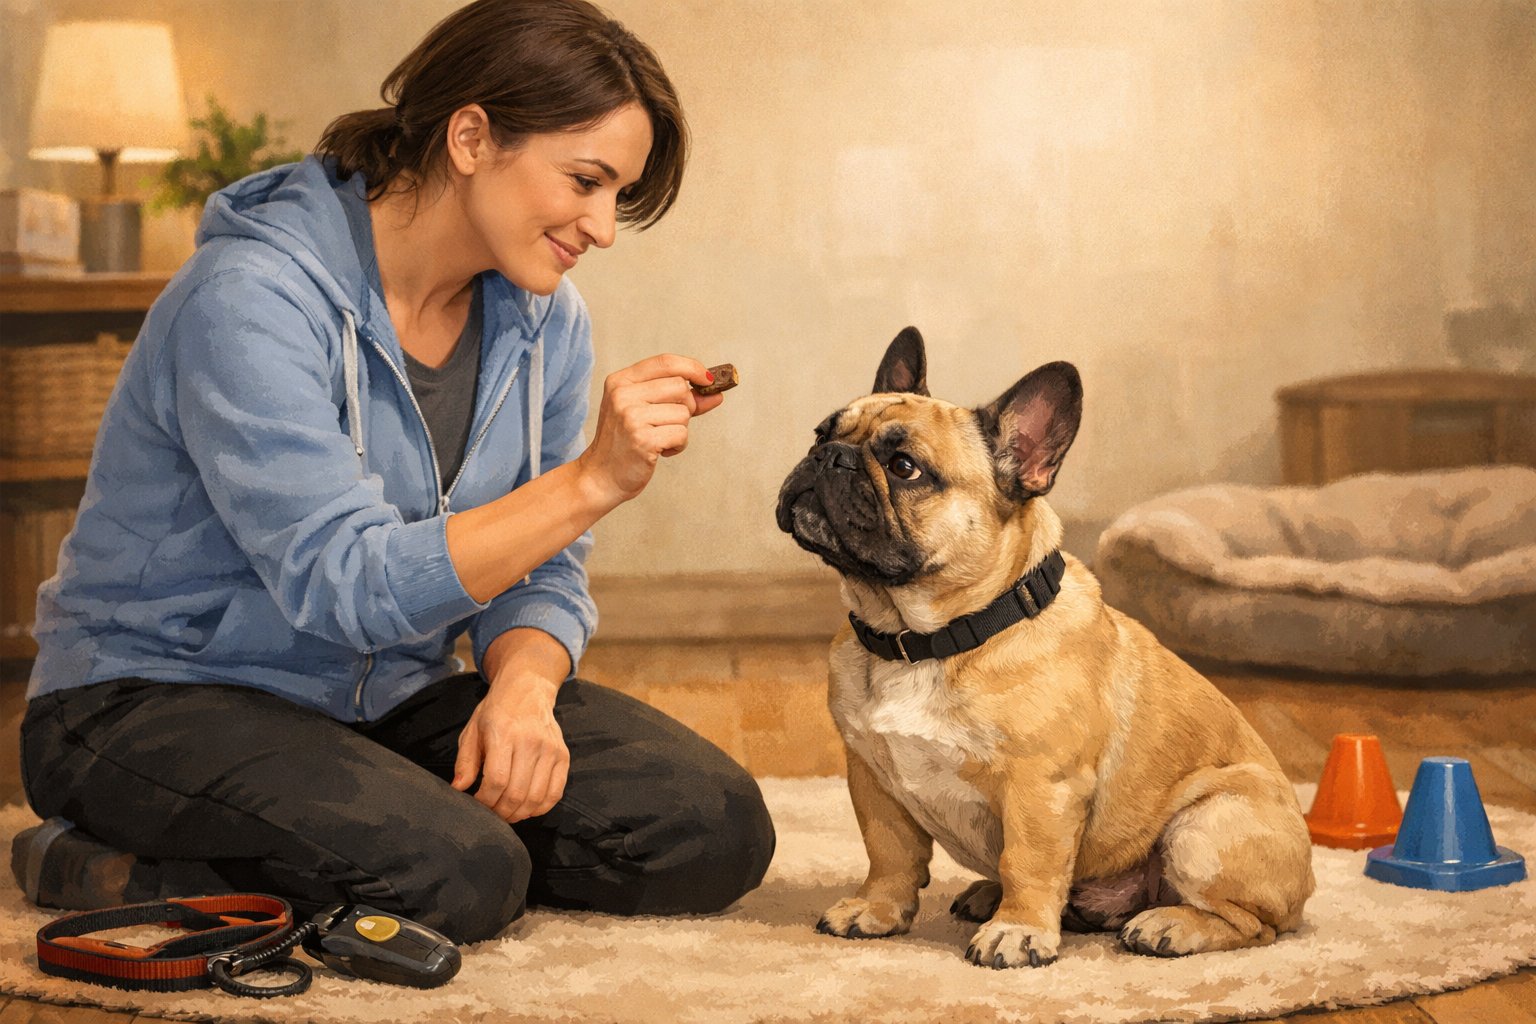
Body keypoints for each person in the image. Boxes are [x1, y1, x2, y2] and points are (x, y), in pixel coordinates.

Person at [12, 0, 774, 945]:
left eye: (618, 195)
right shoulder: (249, 299)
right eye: (585, 181)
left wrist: (523, 692)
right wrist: (593, 480)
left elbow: (539, 566)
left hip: (385, 698)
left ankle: (360, 842)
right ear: (470, 136)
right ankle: (111, 859)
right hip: (153, 697)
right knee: (460, 871)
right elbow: (348, 584)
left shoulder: (545, 319)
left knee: (711, 825)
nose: (603, 227)